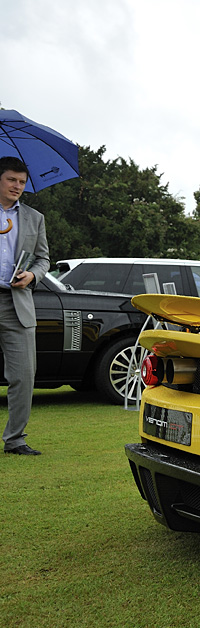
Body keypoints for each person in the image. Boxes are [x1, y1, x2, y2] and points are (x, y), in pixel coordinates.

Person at [0, 157, 49, 456]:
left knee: (23, 375)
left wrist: (33, 275)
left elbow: (43, 259)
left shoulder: (35, 218)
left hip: (17, 302)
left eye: (22, 181)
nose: (17, 186)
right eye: (11, 180)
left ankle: (15, 439)